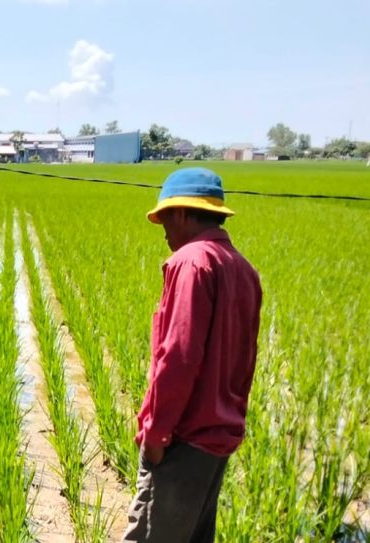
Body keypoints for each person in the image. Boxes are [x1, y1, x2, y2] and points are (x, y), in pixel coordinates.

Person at [123, 167, 263, 543]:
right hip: (216, 442)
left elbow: (179, 356)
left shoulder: (192, 262)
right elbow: (245, 358)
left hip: (182, 440)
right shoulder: (244, 270)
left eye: (165, 218)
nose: (164, 230)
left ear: (183, 213)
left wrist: (156, 432)